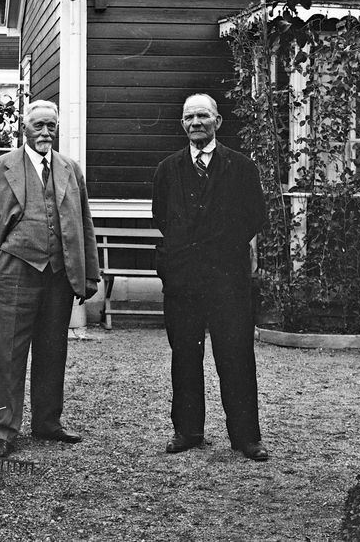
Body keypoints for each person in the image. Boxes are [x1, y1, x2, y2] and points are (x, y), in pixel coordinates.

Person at [0, 99, 100, 458]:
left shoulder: (70, 169)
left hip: (59, 274)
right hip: (15, 272)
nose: (45, 132)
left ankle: (47, 422)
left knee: (52, 350)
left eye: (50, 126)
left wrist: (89, 273)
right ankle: (3, 430)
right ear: (23, 128)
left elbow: (85, 223)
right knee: (9, 352)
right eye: (38, 125)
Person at [151, 93, 270, 461]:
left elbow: (255, 216)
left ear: (217, 121)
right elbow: (162, 217)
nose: (196, 123)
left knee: (236, 356)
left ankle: (246, 437)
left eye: (203, 116)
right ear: (182, 124)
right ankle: (188, 431)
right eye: (189, 117)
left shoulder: (242, 167)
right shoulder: (168, 169)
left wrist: (223, 246)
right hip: (183, 279)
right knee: (185, 355)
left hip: (228, 279)